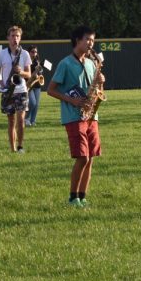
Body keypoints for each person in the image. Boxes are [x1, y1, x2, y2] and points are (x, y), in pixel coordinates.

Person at [47, 25, 105, 208]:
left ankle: (82, 195)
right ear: (77, 40)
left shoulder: (91, 63)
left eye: (93, 40)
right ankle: (73, 197)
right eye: (87, 39)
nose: (90, 44)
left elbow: (97, 91)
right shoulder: (65, 63)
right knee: (83, 157)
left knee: (91, 157)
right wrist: (70, 100)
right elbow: (51, 90)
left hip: (91, 116)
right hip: (74, 116)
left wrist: (100, 83)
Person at [0, 26, 32, 153]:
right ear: (8, 38)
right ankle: (12, 149)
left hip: (21, 90)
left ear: (20, 38)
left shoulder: (25, 54)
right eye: (12, 36)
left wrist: (21, 72)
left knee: (21, 119)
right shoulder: (2, 54)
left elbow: (29, 74)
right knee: (11, 121)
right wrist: (2, 85)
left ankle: (20, 146)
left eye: (17, 36)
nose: (15, 39)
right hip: (8, 90)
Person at [26, 45, 43, 127]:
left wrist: (40, 71)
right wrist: (35, 72)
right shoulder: (26, 62)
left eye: (35, 52)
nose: (34, 54)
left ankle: (33, 121)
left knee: (36, 105)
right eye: (32, 52)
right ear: (28, 52)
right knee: (32, 102)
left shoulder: (37, 61)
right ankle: (26, 118)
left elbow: (40, 74)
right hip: (29, 84)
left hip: (37, 85)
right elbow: (28, 75)